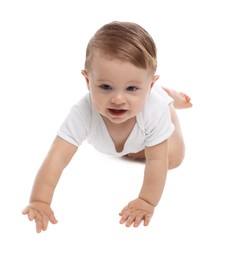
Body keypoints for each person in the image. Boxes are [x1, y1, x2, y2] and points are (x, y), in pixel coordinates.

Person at [22, 21, 192, 233]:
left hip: (156, 110)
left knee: (172, 159)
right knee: (138, 150)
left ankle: (166, 97)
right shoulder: (83, 112)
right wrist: (40, 200)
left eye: (131, 88)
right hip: (140, 119)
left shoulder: (153, 111)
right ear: (88, 81)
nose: (118, 99)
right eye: (105, 87)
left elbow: (157, 159)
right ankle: (151, 102)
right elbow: (57, 157)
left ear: (148, 85)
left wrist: (147, 201)